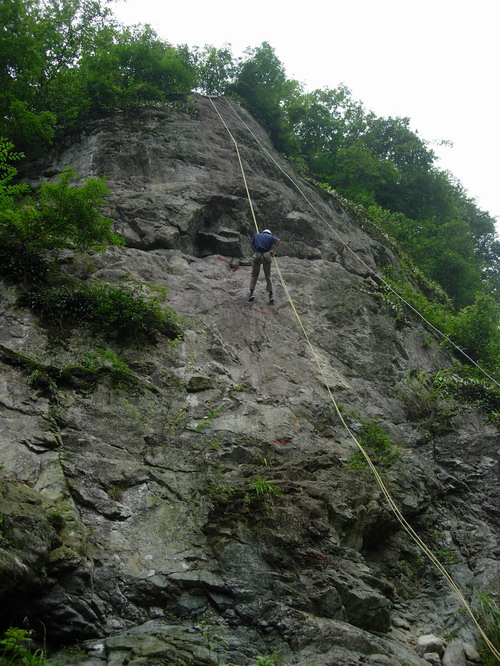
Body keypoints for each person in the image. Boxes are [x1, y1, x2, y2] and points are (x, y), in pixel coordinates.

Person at [247, 229, 280, 303]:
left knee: (254, 275)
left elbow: (251, 245)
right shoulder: (270, 237)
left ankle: (251, 293)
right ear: (269, 233)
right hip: (266, 256)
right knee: (268, 276)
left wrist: (254, 252)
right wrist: (273, 252)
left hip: (257, 255)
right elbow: (278, 240)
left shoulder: (256, 235)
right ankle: (271, 295)